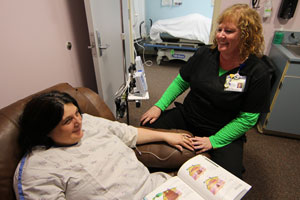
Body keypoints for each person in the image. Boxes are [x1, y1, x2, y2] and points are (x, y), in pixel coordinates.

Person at [140, 4, 271, 178]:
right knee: (145, 129)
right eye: (219, 29)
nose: (220, 35)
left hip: (222, 128)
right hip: (189, 115)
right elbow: (181, 82)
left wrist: (213, 141)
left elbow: (248, 118)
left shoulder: (257, 72)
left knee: (228, 179)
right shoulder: (204, 54)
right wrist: (159, 106)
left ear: (246, 37)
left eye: (229, 31)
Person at [13, 91, 194, 200]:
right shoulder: (36, 172)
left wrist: (165, 136)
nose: (78, 122)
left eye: (77, 113)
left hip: (157, 189)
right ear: (45, 130)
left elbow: (128, 133)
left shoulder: (88, 122)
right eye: (68, 120)